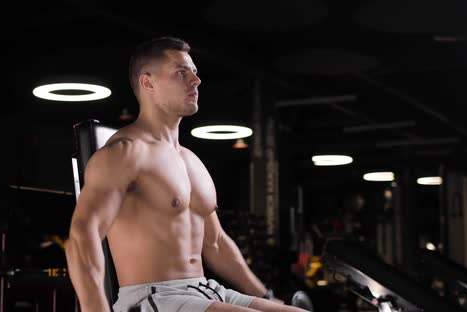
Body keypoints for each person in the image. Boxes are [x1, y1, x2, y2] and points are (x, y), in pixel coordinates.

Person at [65, 36, 308, 312]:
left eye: (194, 72)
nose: (196, 81)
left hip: (205, 290)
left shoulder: (190, 160)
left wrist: (266, 295)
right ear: (148, 83)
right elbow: (82, 237)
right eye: (182, 73)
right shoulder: (124, 152)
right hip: (153, 297)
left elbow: (215, 243)